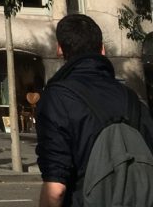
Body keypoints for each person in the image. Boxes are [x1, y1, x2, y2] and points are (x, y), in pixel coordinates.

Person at [37, 13, 153, 206]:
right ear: (102, 49)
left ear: (60, 49)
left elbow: (55, 189)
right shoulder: (131, 98)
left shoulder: (56, 99)